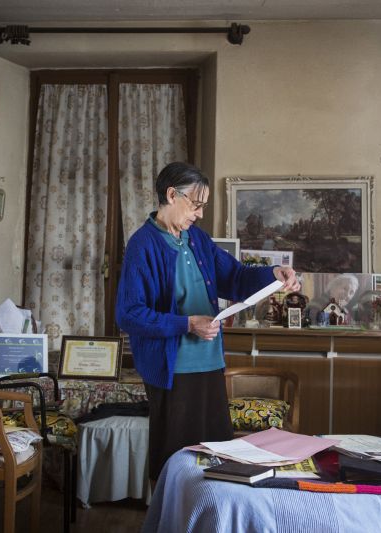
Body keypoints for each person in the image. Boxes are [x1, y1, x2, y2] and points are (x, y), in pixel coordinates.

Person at [115, 162, 300, 483]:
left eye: (203, 206)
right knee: (177, 461)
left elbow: (236, 277)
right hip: (172, 369)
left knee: (217, 458)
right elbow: (129, 313)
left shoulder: (197, 240)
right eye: (196, 205)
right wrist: (187, 324)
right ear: (172, 195)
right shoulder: (142, 245)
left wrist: (272, 273)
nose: (199, 214)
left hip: (210, 363)